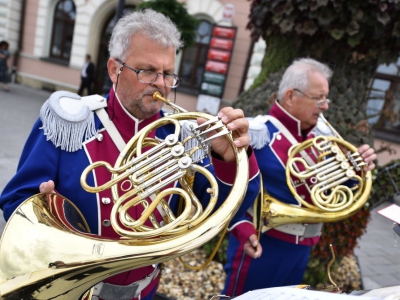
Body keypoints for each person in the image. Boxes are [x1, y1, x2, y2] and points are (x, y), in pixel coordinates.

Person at [0, 9, 260, 300]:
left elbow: (222, 210)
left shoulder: (184, 137)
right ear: (114, 69)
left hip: (143, 293)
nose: (161, 83)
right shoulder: (72, 122)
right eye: (147, 70)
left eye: (168, 73)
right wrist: (48, 214)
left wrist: (227, 159)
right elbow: (16, 200)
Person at [222, 58, 377, 296]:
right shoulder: (257, 134)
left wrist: (356, 170)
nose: (325, 106)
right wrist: (242, 227)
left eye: (326, 98)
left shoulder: (323, 138)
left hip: (303, 248)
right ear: (291, 96)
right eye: (319, 98)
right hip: (262, 245)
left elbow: (330, 191)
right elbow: (224, 190)